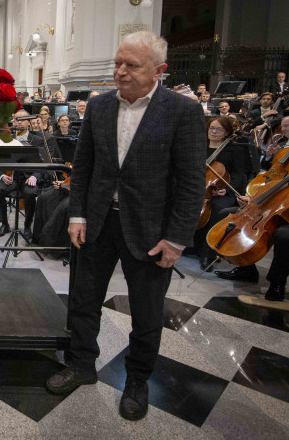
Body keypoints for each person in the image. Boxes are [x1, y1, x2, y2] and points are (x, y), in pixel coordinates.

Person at [45, 31, 206, 421]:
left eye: (131, 65)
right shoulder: (99, 106)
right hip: (98, 221)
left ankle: (137, 381)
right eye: (118, 63)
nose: (120, 71)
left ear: (158, 71)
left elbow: (191, 182)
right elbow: (83, 166)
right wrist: (77, 215)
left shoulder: (182, 111)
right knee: (83, 299)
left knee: (147, 312)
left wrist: (177, 239)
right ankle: (81, 363)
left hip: (151, 229)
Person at [214, 115, 289, 299]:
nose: (283, 129)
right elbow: (272, 176)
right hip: (275, 201)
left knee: (284, 235)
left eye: (287, 126)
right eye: (282, 126)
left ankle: (277, 283)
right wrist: (254, 197)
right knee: (227, 214)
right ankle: (246, 268)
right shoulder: (287, 147)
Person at [193, 116, 246, 271]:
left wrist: (226, 189)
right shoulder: (199, 146)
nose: (214, 132)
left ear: (227, 132)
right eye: (211, 128)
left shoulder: (235, 150)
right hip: (198, 188)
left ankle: (207, 253)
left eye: (218, 129)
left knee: (217, 209)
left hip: (221, 191)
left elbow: (238, 174)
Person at [0, 110, 42, 238]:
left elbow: (43, 163)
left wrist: (34, 176)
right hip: (11, 178)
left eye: (22, 119)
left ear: (29, 122)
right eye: (16, 120)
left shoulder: (38, 140)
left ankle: (27, 226)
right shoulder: (7, 139)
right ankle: (4, 224)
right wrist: (2, 175)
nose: (19, 122)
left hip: (28, 178)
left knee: (30, 193)